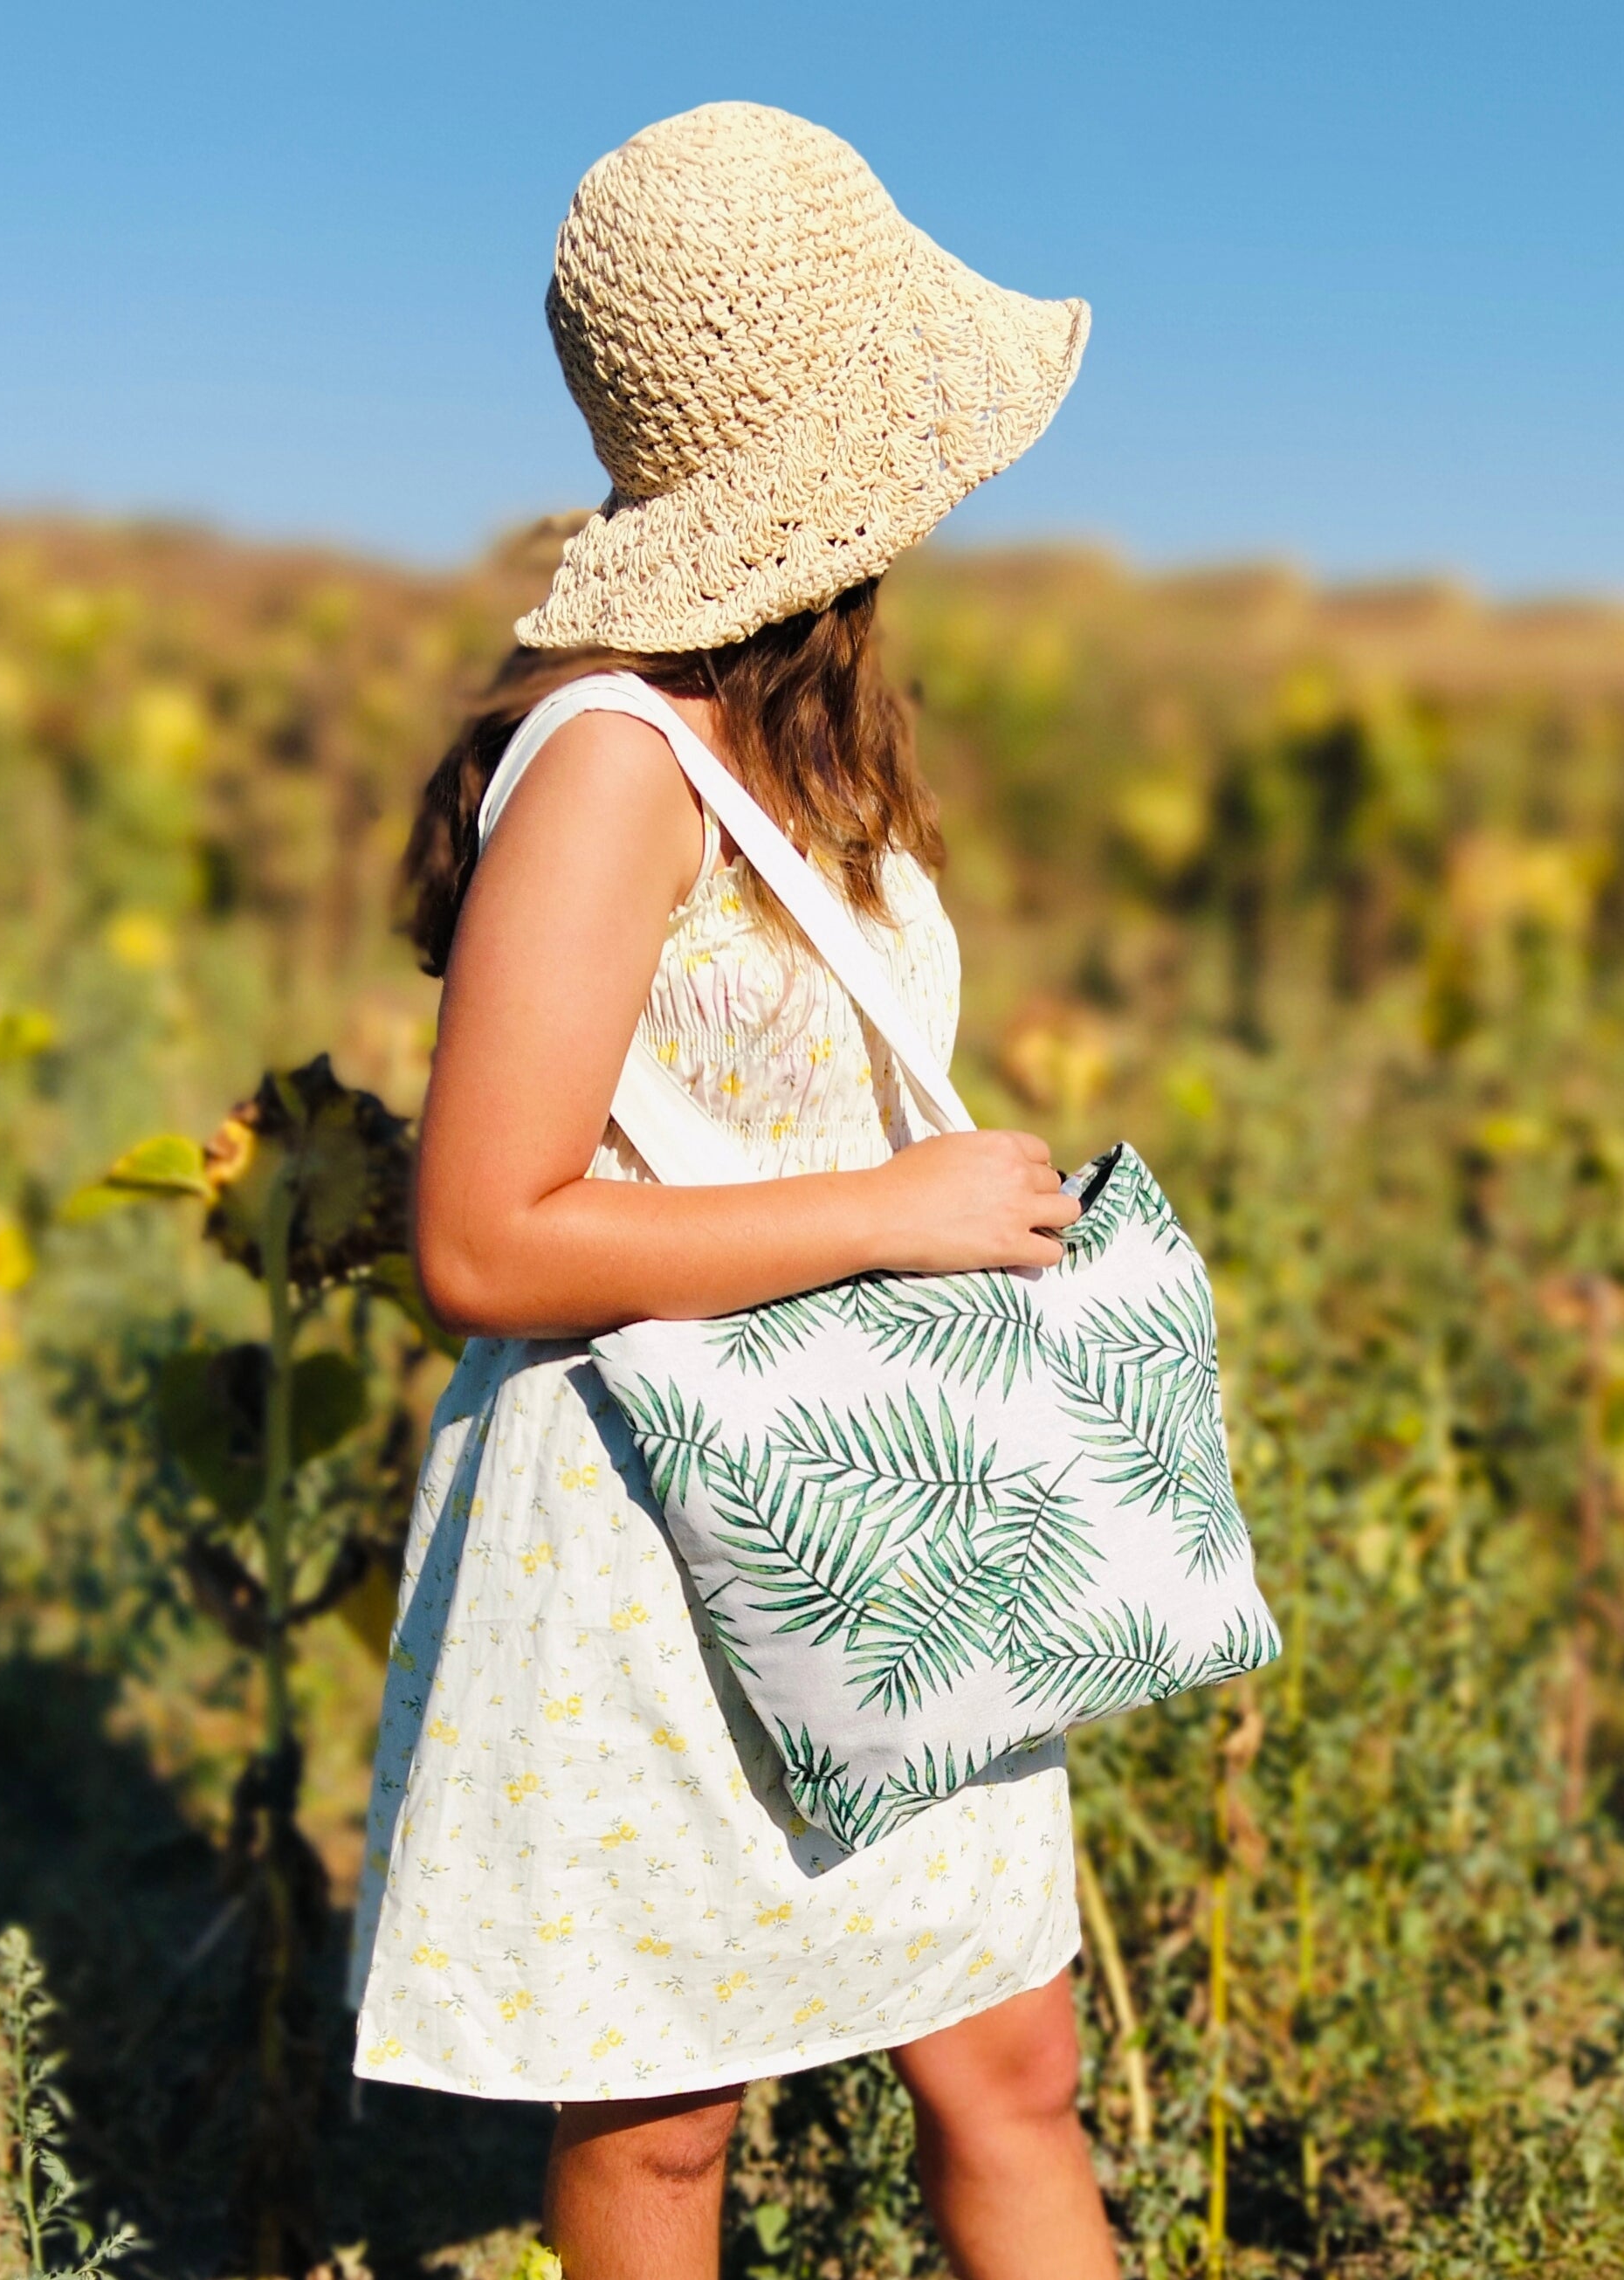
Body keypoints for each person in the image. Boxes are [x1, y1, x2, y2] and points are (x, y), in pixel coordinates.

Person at [347, 101, 1115, 2280]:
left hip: (876, 1493)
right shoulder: (607, 766)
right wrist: (893, 1214)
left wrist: (939, 1196)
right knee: (664, 2142)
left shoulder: (798, 741)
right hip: (645, 1535)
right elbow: (482, 1238)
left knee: (1010, 2083)